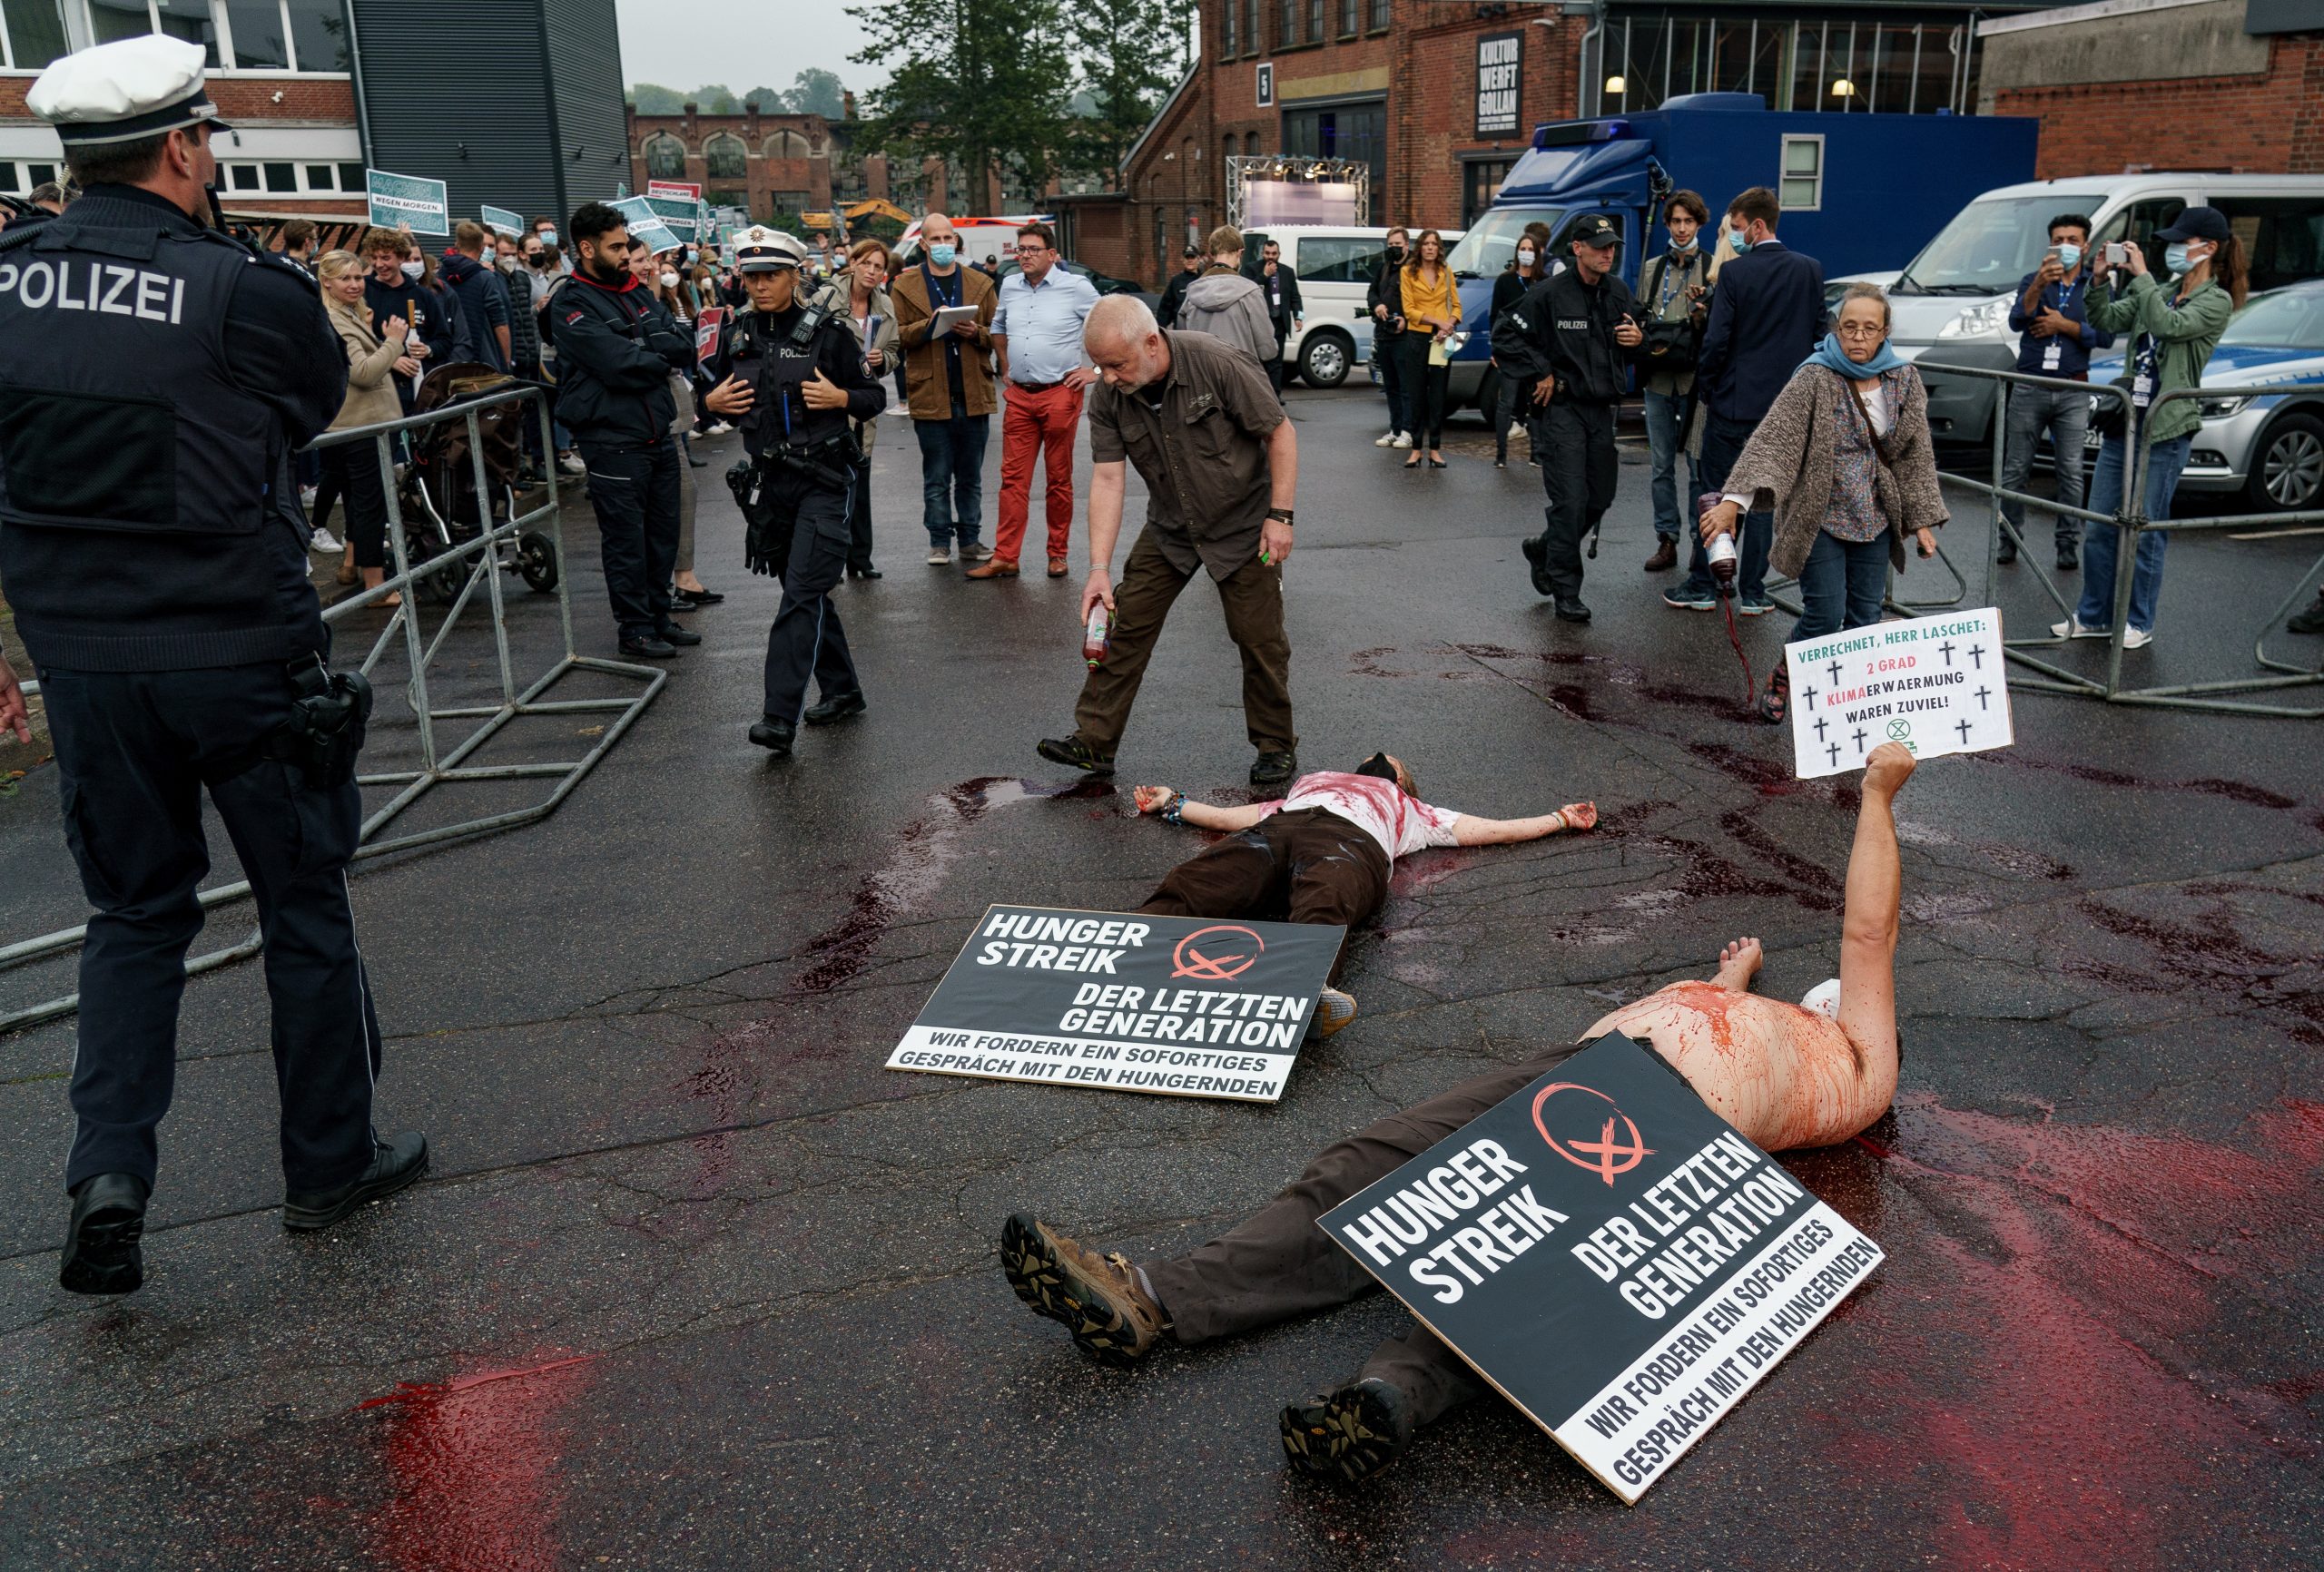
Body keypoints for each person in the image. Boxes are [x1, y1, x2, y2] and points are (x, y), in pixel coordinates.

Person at [998, 741, 1918, 1484]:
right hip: (1588, 1069)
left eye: (1833, 1001)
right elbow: (1723, 1021)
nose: (1829, 1001)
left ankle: (1384, 1397)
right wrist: (1736, 976)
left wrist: (1876, 797)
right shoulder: (1768, 1020)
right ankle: (1154, 1295)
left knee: (1516, 1276)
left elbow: (1867, 932)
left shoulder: (1858, 1065)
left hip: (1677, 1123)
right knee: (1371, 1167)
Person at [0, 36, 428, 1295]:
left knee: (133, 914)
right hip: (239, 651)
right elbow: (305, 411)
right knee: (303, 906)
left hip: (83, 662)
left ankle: (109, 1175)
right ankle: (327, 1167)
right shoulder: (243, 289)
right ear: (185, 146)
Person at [1126, 756, 1596, 1035]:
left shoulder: (1411, 809)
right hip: (1282, 825)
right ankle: (1126, 946)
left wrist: (1559, 819)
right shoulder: (1314, 781)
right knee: (1201, 879)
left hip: (1353, 841)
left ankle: (1305, 993)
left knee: (1326, 897)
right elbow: (1238, 817)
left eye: (1396, 764)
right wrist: (1173, 803)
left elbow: (1488, 830)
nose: (1381, 757)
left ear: (1402, 782)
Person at [1037, 297, 1301, 788]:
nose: (1109, 377)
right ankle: (1093, 743)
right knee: (1125, 625)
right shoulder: (1110, 396)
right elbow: (1108, 481)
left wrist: (1280, 516)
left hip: (1244, 527)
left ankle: (1275, 745)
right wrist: (1098, 568)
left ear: (1152, 343)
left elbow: (1279, 433)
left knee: (1259, 638)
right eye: (1101, 366)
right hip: (1171, 528)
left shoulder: (1216, 362)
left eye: (1117, 364)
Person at [1699, 284, 1947, 723]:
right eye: (1849, 326)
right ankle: (1785, 676)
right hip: (1821, 515)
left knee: (1865, 620)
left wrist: (1921, 521)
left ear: (1885, 332)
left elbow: (1914, 453)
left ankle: (1846, 708)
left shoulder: (1903, 378)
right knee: (1824, 616)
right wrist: (1733, 503)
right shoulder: (1815, 376)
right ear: (1837, 327)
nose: (1857, 336)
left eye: (1869, 329)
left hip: (1876, 516)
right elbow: (1776, 441)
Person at [700, 227, 884, 757]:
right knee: (807, 594)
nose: (760, 286)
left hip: (825, 480)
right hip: (770, 487)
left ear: (795, 275)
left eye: (772, 275)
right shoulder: (737, 335)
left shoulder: (828, 334)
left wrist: (841, 395)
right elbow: (706, 397)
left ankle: (777, 717)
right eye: (752, 276)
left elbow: (872, 397)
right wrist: (708, 404)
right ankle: (844, 690)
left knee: (800, 595)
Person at [2053, 208, 2241, 650]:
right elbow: (2105, 320)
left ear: (2208, 249)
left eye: (2182, 242)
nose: (2173, 250)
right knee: (2101, 525)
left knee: (2145, 528)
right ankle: (2093, 616)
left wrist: (2141, 277)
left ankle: (2139, 621)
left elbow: (2167, 325)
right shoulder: (2161, 289)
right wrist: (2098, 280)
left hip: (2166, 426)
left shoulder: (2217, 301)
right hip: (2127, 420)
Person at [549, 202, 699, 659]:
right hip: (611, 438)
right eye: (615, 246)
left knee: (662, 533)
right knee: (626, 540)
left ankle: (657, 616)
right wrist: (653, 356)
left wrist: (647, 351)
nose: (624, 253)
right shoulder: (570, 300)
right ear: (587, 247)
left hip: (658, 429)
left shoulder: (636, 291)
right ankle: (634, 628)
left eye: (625, 244)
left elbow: (681, 345)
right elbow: (615, 363)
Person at [1669, 187, 1826, 616]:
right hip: (1785, 409)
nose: (1734, 237)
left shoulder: (1736, 274)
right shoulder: (1810, 270)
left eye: (1736, 228)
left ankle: (1706, 584)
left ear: (1757, 226)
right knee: (1763, 503)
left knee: (1717, 496)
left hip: (1734, 406)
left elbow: (1717, 341)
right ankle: (1754, 593)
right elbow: (1819, 337)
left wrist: (1709, 388)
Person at [1493, 214, 1645, 623]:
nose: (1607, 253)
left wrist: (1638, 340)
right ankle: (1565, 589)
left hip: (1601, 412)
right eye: (1599, 246)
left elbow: (1638, 331)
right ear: (1577, 248)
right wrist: (1540, 369)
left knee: (1600, 498)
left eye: (1611, 246)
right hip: (1561, 410)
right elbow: (1505, 333)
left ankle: (1545, 547)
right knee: (1571, 501)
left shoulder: (1617, 292)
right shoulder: (1550, 293)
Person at [978, 223, 1101, 582]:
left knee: (1058, 480)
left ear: (1052, 254)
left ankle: (1057, 554)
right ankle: (1005, 556)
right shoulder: (1011, 285)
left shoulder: (1075, 287)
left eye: (1033, 249)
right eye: (1021, 249)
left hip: (1060, 393)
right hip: (1019, 396)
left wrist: (1093, 370)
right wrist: (1005, 364)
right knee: (1012, 480)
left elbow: (1111, 325)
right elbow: (998, 328)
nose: (1025, 255)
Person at [1997, 213, 2111, 572]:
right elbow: (2018, 321)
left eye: (2073, 240)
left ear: (2086, 246)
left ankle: (2067, 544)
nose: (2066, 246)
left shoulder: (2096, 286)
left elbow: (2106, 335)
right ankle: (2008, 540)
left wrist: (2067, 326)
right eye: (2059, 239)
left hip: (2073, 387)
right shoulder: (2034, 279)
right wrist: (2035, 289)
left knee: (2071, 471)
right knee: (2015, 468)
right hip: (2030, 384)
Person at [891, 212, 1000, 566]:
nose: (942, 246)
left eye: (947, 239)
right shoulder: (904, 286)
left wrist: (976, 333)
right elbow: (898, 337)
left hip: (972, 395)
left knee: (970, 477)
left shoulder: (979, 282)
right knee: (936, 477)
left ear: (956, 241)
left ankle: (970, 539)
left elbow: (998, 334)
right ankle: (939, 542)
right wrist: (930, 325)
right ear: (922, 244)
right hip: (931, 395)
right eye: (935, 240)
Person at [316, 250, 410, 609]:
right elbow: (364, 372)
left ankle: (350, 564)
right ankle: (377, 586)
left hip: (353, 423)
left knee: (357, 499)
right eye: (346, 279)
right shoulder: (336, 320)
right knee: (370, 503)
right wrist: (393, 342)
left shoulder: (344, 314)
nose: (355, 285)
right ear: (327, 282)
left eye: (358, 278)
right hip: (361, 424)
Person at [1639, 191, 1713, 571]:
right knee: (1661, 464)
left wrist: (1702, 314)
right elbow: (1637, 317)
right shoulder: (1652, 269)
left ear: (1699, 223)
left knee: (1699, 466)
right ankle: (1667, 539)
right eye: (1676, 221)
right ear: (1666, 224)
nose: (1682, 228)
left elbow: (1721, 329)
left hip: (1695, 381)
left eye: (1689, 221)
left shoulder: (1713, 267)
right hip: (1657, 378)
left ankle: (1703, 542)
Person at [826, 237, 900, 580]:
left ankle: (860, 557)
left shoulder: (884, 305)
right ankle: (831, 559)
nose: (872, 271)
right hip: (831, 402)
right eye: (866, 263)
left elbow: (895, 350)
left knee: (862, 482)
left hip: (864, 407)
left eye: (879, 267)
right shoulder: (825, 298)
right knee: (832, 486)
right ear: (852, 263)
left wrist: (882, 358)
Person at [1394, 230, 1462, 471]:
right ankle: (1415, 449)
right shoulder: (1407, 273)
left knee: (1438, 395)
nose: (1431, 248)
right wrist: (1437, 322)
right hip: (1417, 338)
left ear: (1439, 248)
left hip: (1443, 340)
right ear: (1419, 247)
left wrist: (1449, 324)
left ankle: (1435, 449)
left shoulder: (1446, 272)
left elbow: (1457, 306)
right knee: (1416, 395)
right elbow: (1409, 310)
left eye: (1434, 244)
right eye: (1426, 244)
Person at [1488, 221, 1553, 468]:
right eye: (1522, 248)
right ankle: (1501, 454)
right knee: (1506, 403)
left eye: (1530, 248)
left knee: (1535, 402)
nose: (1525, 252)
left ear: (1538, 253)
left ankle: (1536, 453)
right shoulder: (1504, 281)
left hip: (1535, 353)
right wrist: (1494, 349)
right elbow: (1495, 316)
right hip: (1509, 351)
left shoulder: (1544, 282)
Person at [1177, 225, 1276, 369]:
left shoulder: (1191, 295)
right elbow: (1267, 351)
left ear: (1211, 254)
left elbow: (1183, 345)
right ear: (1240, 252)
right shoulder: (1250, 293)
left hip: (1203, 378)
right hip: (1241, 376)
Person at [1369, 227, 1412, 448]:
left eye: (1398, 245)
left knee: (1406, 387)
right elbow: (1372, 292)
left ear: (1407, 245)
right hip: (1384, 335)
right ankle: (1394, 429)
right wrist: (1377, 305)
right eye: (1391, 245)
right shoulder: (1384, 267)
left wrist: (1405, 318)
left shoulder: (1413, 269)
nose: (1394, 249)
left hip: (1404, 337)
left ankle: (1407, 430)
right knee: (1391, 386)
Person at [1258, 238, 1305, 396]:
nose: (1270, 257)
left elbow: (1295, 297)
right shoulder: (1252, 269)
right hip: (1260, 323)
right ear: (1262, 253)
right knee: (1261, 361)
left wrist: (1299, 316)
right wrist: (1264, 275)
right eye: (1267, 253)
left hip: (1279, 322)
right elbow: (1249, 289)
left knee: (1277, 362)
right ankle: (1261, 397)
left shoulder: (1287, 272)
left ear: (1279, 254)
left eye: (1274, 254)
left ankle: (1276, 396)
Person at [1156, 242, 1204, 329]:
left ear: (1198, 259)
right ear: (1183, 260)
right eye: (1187, 257)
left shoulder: (1204, 280)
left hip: (1200, 328)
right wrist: (1159, 329)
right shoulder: (1176, 281)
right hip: (1181, 330)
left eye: (1192, 257)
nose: (1190, 260)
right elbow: (1165, 308)